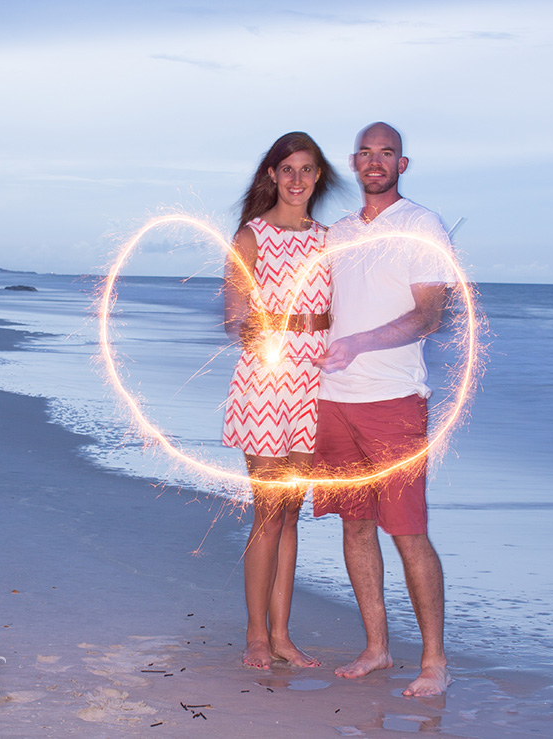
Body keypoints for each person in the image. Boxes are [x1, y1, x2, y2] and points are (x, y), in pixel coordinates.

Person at [312, 122, 455, 696]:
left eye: (387, 154)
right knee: (354, 525)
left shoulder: (422, 226)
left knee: (408, 531)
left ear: (402, 164)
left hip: (393, 401)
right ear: (354, 162)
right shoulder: (337, 233)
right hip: (332, 401)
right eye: (366, 154)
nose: (375, 162)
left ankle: (435, 662)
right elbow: (318, 305)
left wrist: (360, 343)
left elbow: (429, 315)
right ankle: (375, 648)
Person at [222, 131, 339, 670]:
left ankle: (283, 635)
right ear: (271, 174)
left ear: (319, 177)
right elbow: (234, 311)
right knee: (267, 513)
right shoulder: (251, 237)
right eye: (286, 169)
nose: (296, 180)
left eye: (307, 170)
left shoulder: (330, 240)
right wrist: (249, 329)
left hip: (314, 386)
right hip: (266, 385)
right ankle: (254, 634)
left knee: (291, 516)